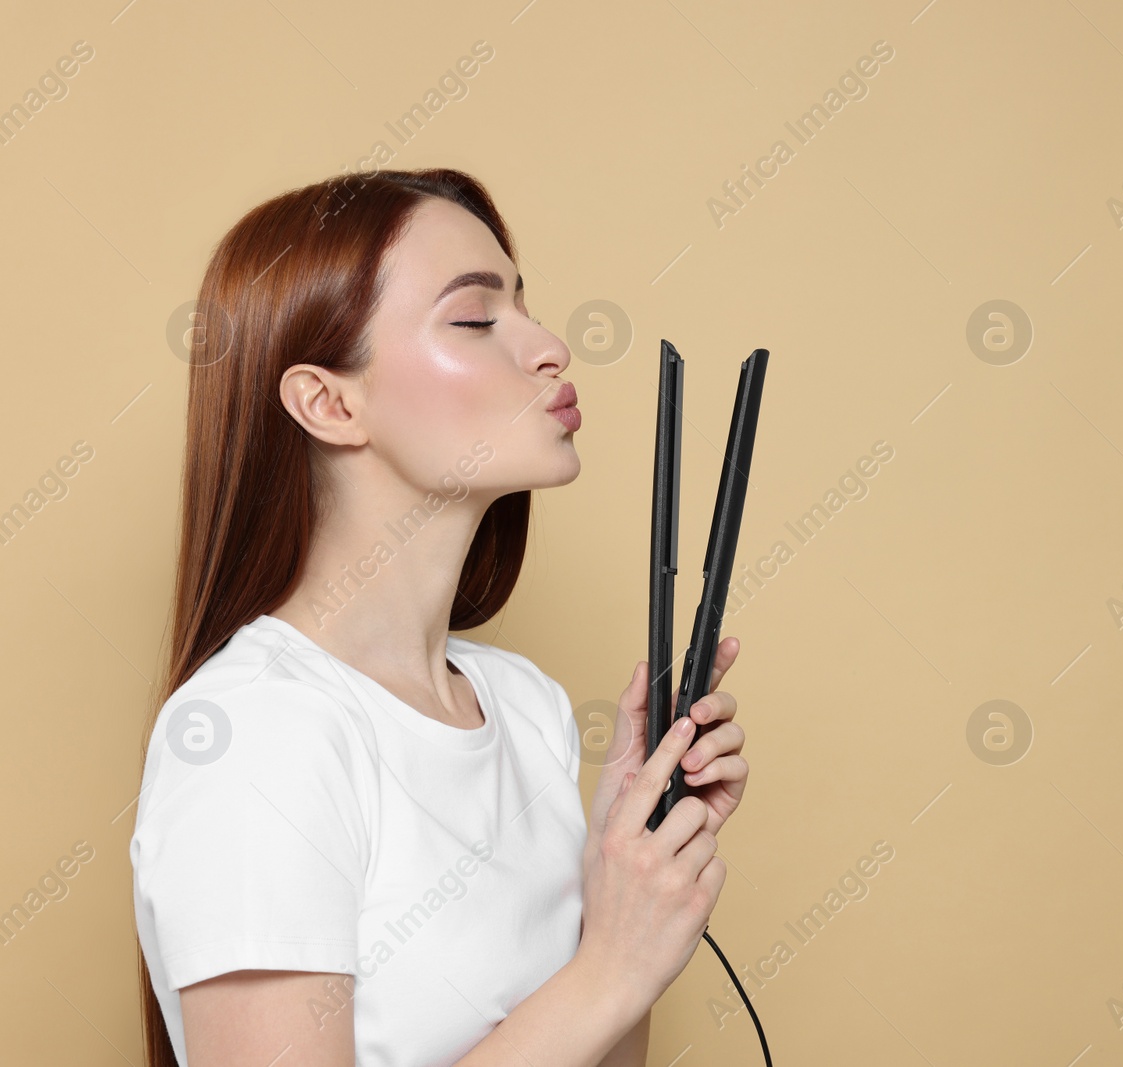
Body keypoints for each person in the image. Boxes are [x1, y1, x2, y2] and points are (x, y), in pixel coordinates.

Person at [130, 168, 749, 1067]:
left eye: (526, 305)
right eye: (475, 319)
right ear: (329, 403)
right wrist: (607, 966)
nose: (549, 348)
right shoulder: (249, 734)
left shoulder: (525, 707)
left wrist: (624, 869)